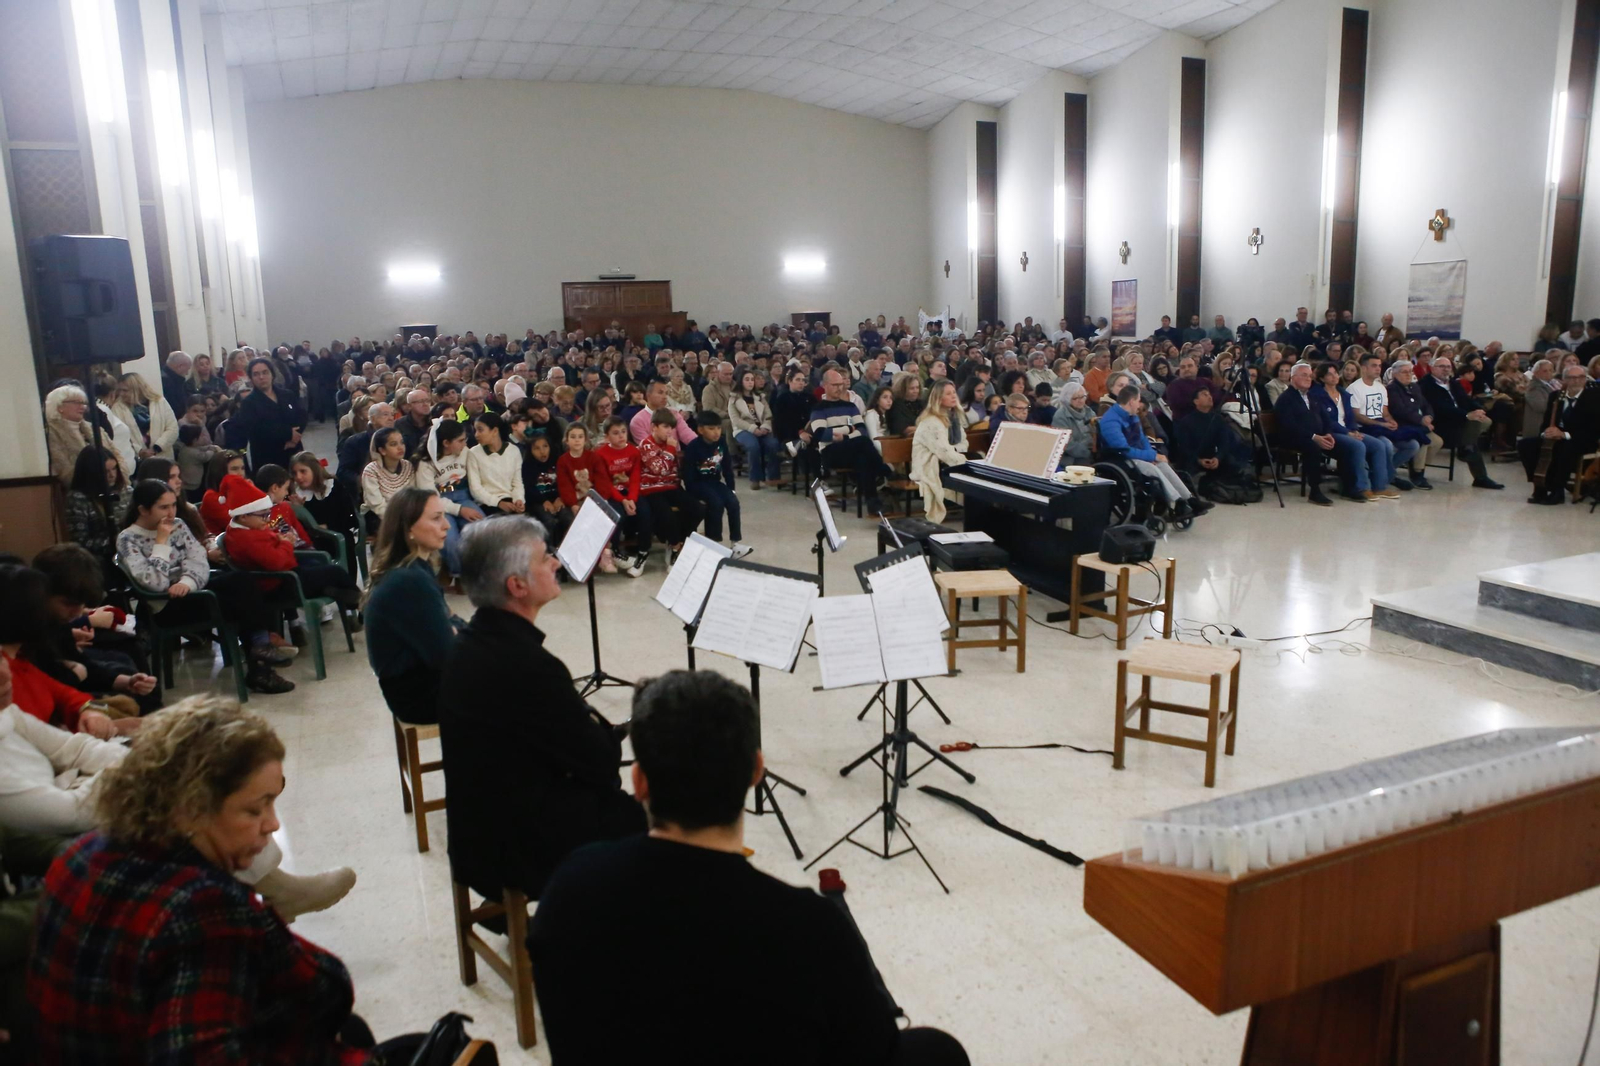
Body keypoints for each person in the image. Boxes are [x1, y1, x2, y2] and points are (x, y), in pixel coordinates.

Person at [529, 670, 968, 1066]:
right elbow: (872, 1051)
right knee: (939, 1051)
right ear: (756, 770)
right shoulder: (810, 928)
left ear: (639, 780)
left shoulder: (570, 887)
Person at [25, 698, 383, 1063]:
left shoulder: (80, 856)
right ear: (193, 805)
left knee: (353, 1030)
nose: (273, 823)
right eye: (255, 808)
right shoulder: (201, 908)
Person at [438, 517, 645, 906]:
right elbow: (600, 764)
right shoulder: (528, 665)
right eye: (544, 557)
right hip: (513, 850)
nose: (555, 562)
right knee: (659, 819)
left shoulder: (470, 642)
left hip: (476, 837)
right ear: (517, 586)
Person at [364, 489, 459, 725]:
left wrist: (454, 628)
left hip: (416, 683)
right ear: (408, 529)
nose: (446, 525)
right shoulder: (409, 579)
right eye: (436, 518)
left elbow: (449, 623)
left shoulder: (414, 568)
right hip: (418, 696)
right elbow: (447, 655)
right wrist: (453, 629)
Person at [1099, 386, 1209, 519]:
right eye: (1138, 400)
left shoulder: (1132, 415)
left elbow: (1142, 439)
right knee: (1151, 467)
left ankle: (1190, 499)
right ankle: (1177, 502)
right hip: (1119, 459)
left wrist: (1152, 455)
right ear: (1131, 401)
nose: (1139, 404)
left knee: (1162, 464)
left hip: (1134, 454)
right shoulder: (1110, 421)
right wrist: (1151, 456)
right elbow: (1123, 450)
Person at [799, 369, 892, 513]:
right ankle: (883, 469)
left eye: (841, 384)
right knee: (863, 442)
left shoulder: (850, 406)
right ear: (825, 386)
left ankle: (873, 504)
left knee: (863, 459)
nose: (839, 388)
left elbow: (861, 429)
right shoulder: (819, 408)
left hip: (852, 448)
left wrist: (844, 436)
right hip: (831, 451)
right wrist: (848, 429)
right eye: (835, 385)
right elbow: (820, 434)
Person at [1273, 362, 1364, 507]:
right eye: (1304, 375)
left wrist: (1328, 434)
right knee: (1313, 447)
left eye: (1310, 376)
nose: (1308, 378)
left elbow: (1326, 419)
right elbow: (1289, 425)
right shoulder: (1286, 398)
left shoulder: (1313, 396)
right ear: (1293, 377)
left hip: (1318, 435)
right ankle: (1315, 491)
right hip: (1293, 437)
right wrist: (1314, 437)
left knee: (1347, 448)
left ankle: (1348, 488)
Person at [1312, 361, 1395, 501]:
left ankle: (1380, 487)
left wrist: (1354, 430)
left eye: (1335, 373)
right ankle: (1361, 487)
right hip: (1330, 433)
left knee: (1378, 445)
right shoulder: (1317, 395)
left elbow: (1350, 417)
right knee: (1358, 446)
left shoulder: (1343, 394)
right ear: (1322, 378)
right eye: (1329, 374)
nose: (1334, 376)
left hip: (1348, 430)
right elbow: (1328, 421)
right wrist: (1347, 433)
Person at [633, 408, 701, 576]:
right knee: (666, 514)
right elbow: (659, 469)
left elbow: (672, 470)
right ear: (653, 427)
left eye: (671, 427)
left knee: (697, 508)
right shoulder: (646, 445)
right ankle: (675, 546)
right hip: (652, 489)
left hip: (671, 486)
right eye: (665, 427)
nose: (669, 431)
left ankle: (678, 542)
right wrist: (670, 449)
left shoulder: (670, 444)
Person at [1419, 354, 1502, 488]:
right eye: (1442, 366)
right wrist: (1466, 415)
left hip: (1459, 420)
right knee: (1473, 431)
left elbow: (1466, 400)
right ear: (1432, 368)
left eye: (1448, 367)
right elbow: (1439, 408)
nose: (1446, 369)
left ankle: (1466, 448)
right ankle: (1478, 473)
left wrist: (1478, 409)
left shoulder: (1453, 383)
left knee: (1484, 421)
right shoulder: (1426, 385)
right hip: (1441, 423)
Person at [414, 419, 483, 577]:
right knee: (449, 539)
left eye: (465, 439)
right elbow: (431, 497)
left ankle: (479, 572)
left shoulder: (465, 452)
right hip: (439, 503)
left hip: (464, 496)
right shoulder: (426, 463)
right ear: (446, 443)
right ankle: (459, 575)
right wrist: (459, 510)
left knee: (482, 529)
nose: (464, 444)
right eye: (460, 441)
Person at [1525, 364, 1600, 504]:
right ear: (1564, 379)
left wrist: (1564, 435)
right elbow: (1546, 423)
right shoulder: (1555, 396)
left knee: (1563, 448)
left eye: (1581, 377)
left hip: (1582, 439)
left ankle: (1557, 491)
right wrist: (1546, 432)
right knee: (1527, 445)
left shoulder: (1594, 398)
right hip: (1556, 436)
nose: (1577, 381)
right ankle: (1540, 486)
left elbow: (1593, 428)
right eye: (1572, 378)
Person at [1344, 353, 1420, 490]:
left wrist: (1391, 421)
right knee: (1387, 445)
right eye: (1374, 366)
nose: (1378, 369)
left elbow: (1384, 412)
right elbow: (1356, 416)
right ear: (1364, 368)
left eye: (1379, 366)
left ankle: (1384, 473)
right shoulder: (1354, 388)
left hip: (1381, 425)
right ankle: (1387, 478)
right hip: (1364, 428)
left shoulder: (1380, 387)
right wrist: (1381, 424)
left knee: (1413, 445)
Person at [682, 412, 752, 557]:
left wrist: (731, 488)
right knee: (716, 503)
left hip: (714, 482)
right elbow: (688, 475)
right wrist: (692, 493)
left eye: (718, 428)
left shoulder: (721, 442)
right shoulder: (693, 447)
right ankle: (714, 543)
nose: (716, 432)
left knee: (733, 502)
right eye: (711, 429)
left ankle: (735, 543)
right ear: (700, 430)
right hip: (698, 484)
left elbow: (727, 467)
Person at [910, 381, 969, 524]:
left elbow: (964, 443)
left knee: (975, 459)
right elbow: (943, 451)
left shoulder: (954, 417)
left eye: (954, 392)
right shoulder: (931, 421)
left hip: (947, 458)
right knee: (971, 469)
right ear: (938, 398)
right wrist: (965, 461)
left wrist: (957, 451)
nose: (953, 396)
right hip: (929, 464)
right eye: (948, 394)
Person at [232, 358, 305, 471]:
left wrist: (295, 437)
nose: (261, 377)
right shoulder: (248, 403)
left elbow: (301, 416)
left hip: (294, 451)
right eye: (256, 374)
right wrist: (287, 435)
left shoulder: (287, 395)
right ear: (251, 378)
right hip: (268, 456)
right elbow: (255, 430)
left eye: (265, 372)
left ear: (272, 374)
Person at [63, 448, 130, 567]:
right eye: (105, 471)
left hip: (129, 554)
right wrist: (114, 541)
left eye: (114, 468)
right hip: (98, 561)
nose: (112, 475)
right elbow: (80, 543)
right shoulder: (78, 498)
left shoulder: (126, 491)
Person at [729, 368, 783, 488]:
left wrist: (765, 427)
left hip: (762, 428)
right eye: (747, 379)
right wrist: (753, 429)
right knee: (753, 446)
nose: (750, 382)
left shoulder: (760, 397)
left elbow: (768, 415)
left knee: (773, 444)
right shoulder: (734, 398)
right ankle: (755, 479)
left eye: (752, 380)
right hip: (743, 429)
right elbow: (736, 420)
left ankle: (774, 477)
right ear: (741, 381)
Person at [466, 411, 525, 516]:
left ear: (495, 431)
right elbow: (475, 489)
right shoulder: (473, 453)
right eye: (475, 430)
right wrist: (498, 503)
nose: (476, 435)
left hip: (510, 500)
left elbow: (517, 482)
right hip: (487, 503)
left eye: (480, 430)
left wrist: (519, 499)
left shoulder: (513, 451)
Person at [359, 426, 415, 530]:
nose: (400, 447)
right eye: (393, 444)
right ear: (382, 450)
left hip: (405, 514)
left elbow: (412, 496)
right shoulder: (371, 470)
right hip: (378, 516)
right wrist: (397, 519)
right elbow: (376, 505)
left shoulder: (408, 466)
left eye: (402, 442)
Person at [44, 385, 94, 487]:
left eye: (83, 403)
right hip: (79, 488)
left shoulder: (93, 428)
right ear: (60, 407)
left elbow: (114, 455)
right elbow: (62, 468)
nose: (83, 407)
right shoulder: (51, 432)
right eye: (76, 402)